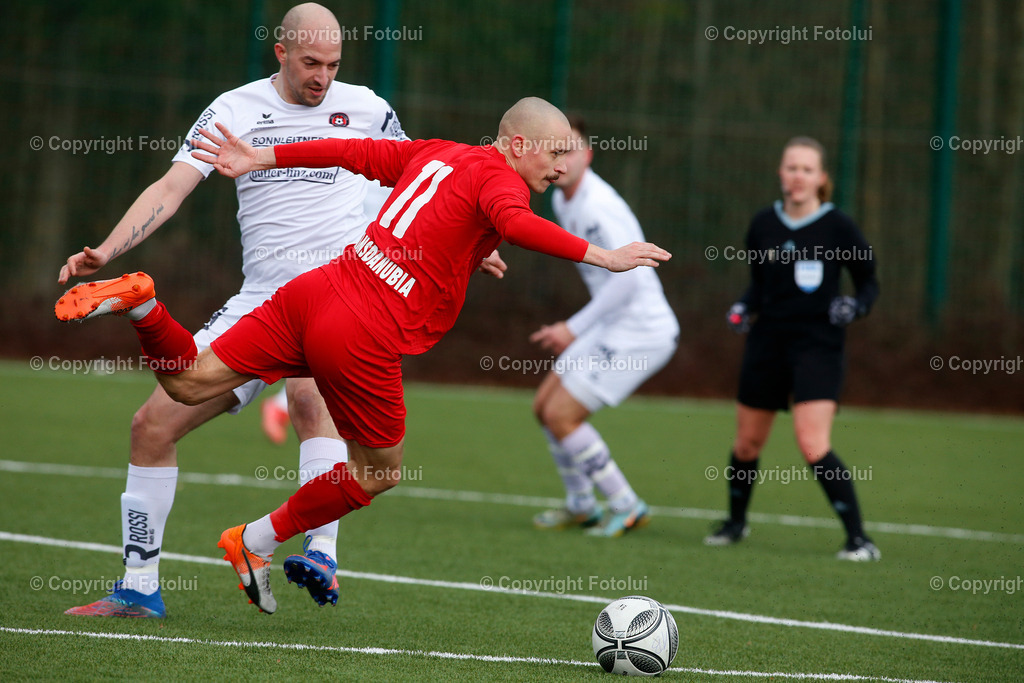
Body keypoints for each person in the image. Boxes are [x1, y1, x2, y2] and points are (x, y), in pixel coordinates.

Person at [55, 96, 671, 614]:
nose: (562, 165)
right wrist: (605, 256)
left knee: (188, 382)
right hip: (361, 330)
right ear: (516, 145)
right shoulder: (502, 182)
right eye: (554, 151)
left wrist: (264, 156)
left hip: (316, 290)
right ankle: (256, 539)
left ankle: (144, 305)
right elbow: (516, 223)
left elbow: (351, 152)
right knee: (379, 471)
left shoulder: (440, 152)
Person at [59, 3, 408, 618]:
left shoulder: (369, 109)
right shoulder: (234, 109)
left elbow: (418, 182)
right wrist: (108, 249)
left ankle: (321, 552)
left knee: (309, 399)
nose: (323, 76)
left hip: (337, 298)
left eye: (333, 64)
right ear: (280, 51)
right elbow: (171, 187)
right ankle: (138, 589)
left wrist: (472, 246)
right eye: (310, 62)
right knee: (152, 426)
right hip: (260, 304)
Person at [705, 136, 881, 561]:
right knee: (746, 444)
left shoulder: (839, 227)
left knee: (812, 443)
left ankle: (860, 540)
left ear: (821, 178)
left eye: (807, 169)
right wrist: (742, 308)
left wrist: (855, 306)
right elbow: (759, 286)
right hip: (767, 344)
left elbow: (869, 284)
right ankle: (735, 523)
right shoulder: (763, 224)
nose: (798, 176)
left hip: (817, 346)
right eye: (791, 167)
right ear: (780, 173)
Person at [529, 117, 678, 537]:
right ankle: (582, 505)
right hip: (612, 321)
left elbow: (630, 280)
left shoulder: (597, 205)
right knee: (544, 408)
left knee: (562, 415)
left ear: (589, 155)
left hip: (641, 329)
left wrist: (573, 328)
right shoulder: (565, 200)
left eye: (571, 149)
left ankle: (626, 505)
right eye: (556, 149)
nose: (563, 159)